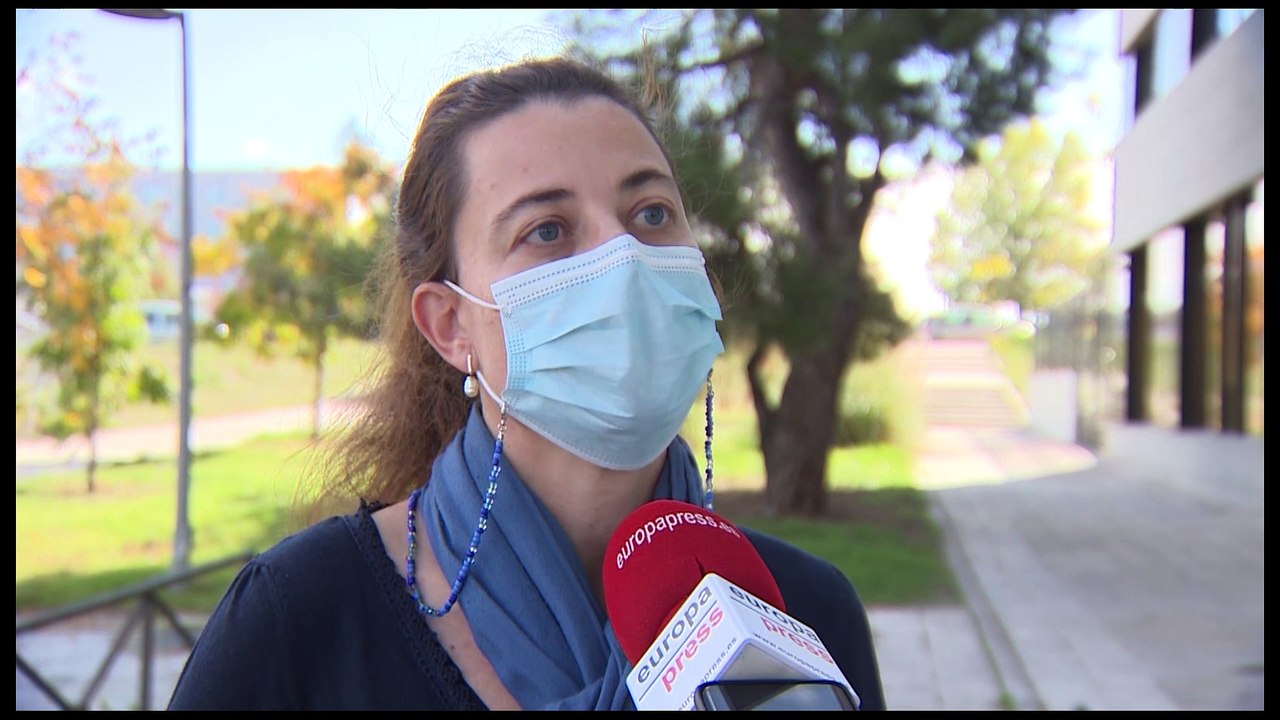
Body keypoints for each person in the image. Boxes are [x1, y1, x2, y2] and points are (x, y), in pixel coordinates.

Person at [166, 55, 886, 711]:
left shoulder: (804, 615)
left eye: (651, 214)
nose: (623, 255)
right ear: (451, 325)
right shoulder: (300, 620)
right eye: (547, 229)